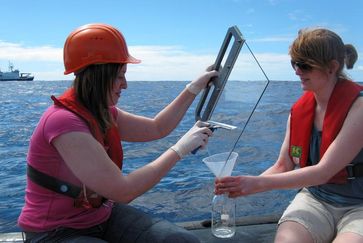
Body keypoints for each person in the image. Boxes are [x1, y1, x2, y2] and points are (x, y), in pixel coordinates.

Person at [18, 23, 217, 242]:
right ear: (99, 75)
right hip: (54, 232)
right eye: (120, 76)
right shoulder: (63, 122)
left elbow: (157, 127)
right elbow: (123, 192)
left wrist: (193, 88)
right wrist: (181, 148)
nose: (125, 85)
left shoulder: (103, 112)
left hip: (101, 217)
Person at [215, 27, 363, 243]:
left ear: (332, 67)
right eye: (294, 63)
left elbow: (323, 172)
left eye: (304, 65)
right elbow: (283, 166)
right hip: (316, 199)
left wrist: (258, 184)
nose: (297, 71)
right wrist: (240, 186)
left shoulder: (359, 108)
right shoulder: (299, 112)